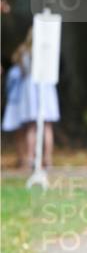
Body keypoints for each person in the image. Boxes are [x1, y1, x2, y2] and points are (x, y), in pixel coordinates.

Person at [1, 28, 60, 169]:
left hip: (30, 89)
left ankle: (29, 159)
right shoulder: (49, 50)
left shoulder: (24, 51)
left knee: (31, 127)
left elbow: (21, 70)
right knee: (47, 126)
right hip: (46, 88)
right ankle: (47, 159)